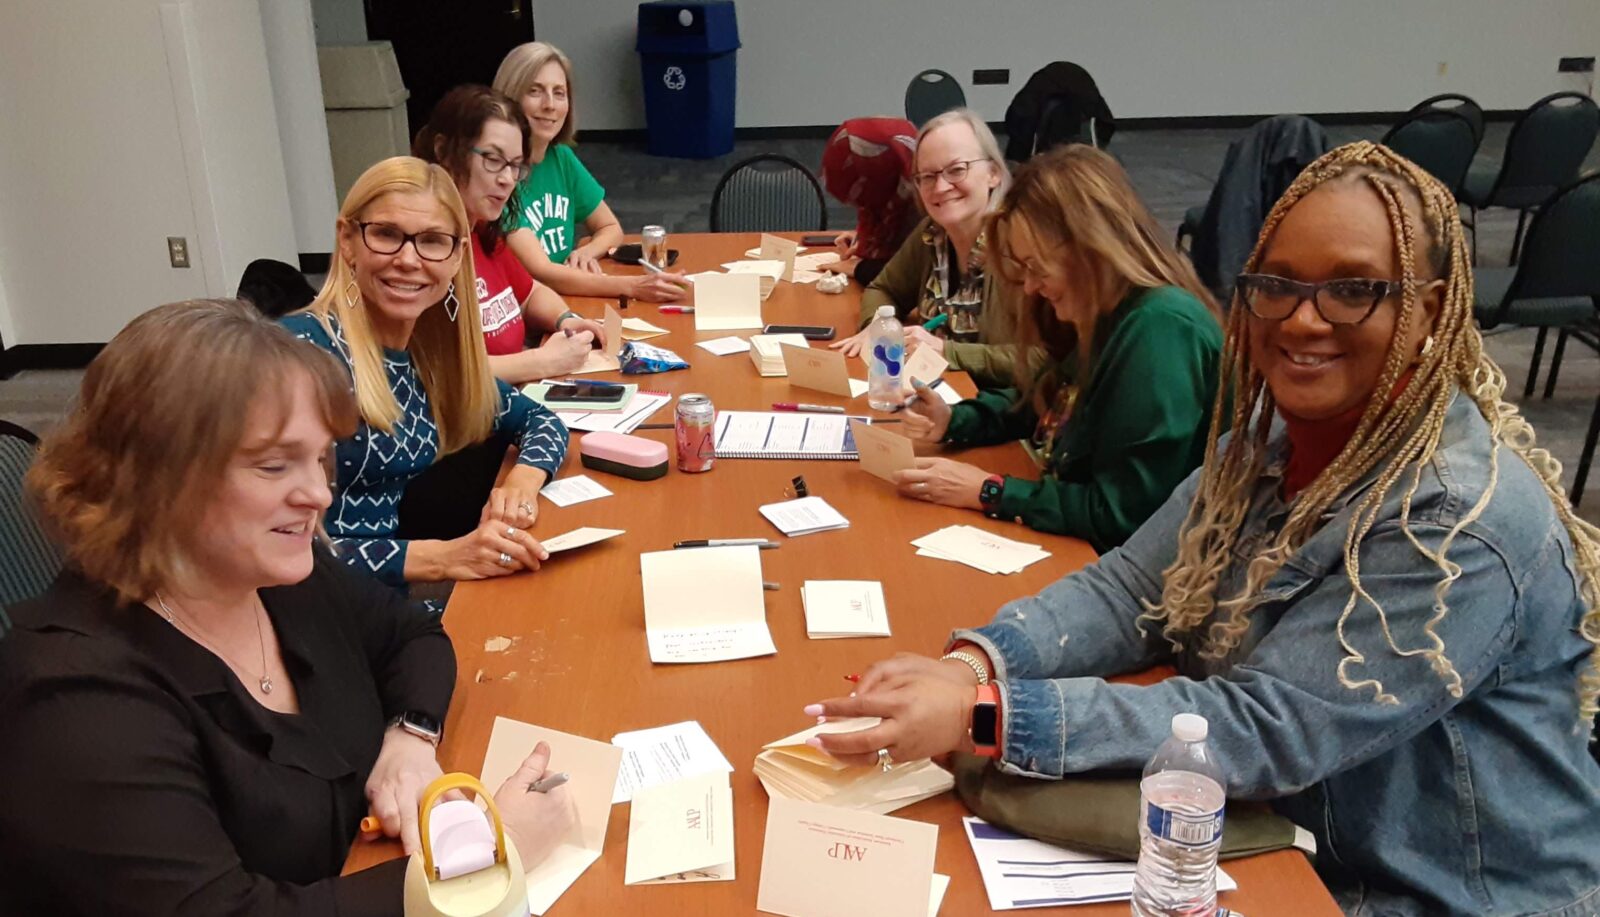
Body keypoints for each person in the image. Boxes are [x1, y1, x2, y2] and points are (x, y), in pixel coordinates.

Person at [804, 143, 1600, 916]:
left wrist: (989, 712)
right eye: (1276, 285)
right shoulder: (1263, 444)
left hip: (1433, 891)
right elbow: (1128, 588)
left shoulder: (1458, 523)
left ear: (1427, 309)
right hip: (1286, 837)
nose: (1304, 318)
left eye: (1353, 288)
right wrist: (974, 659)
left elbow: (1266, 724)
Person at [0, 299, 575, 915]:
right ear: (151, 479)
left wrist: (409, 738)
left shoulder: (268, 568)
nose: (319, 494)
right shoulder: (77, 703)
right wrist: (494, 854)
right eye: (275, 466)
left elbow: (411, 635)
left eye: (319, 458)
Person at [895, 145, 1221, 551]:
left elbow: (1124, 515)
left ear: (1088, 245)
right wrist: (955, 421)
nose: (1030, 287)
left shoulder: (1161, 330)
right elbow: (1046, 401)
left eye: (1035, 266)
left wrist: (990, 491)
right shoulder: (1107, 313)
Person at [282, 156, 569, 590]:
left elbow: (539, 420)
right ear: (347, 240)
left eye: (432, 242)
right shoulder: (298, 356)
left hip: (382, 607)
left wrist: (522, 483)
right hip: (305, 618)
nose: (408, 259)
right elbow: (267, 543)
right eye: (386, 235)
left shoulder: (428, 359)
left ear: (457, 257)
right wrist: (440, 558)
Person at [414, 83, 605, 384]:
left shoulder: (480, 229)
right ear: (443, 151)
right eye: (493, 160)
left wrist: (567, 320)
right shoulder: (419, 250)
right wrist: (542, 361)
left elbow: (530, 293)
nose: (507, 180)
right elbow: (441, 373)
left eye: (516, 166)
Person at [832, 108, 1021, 387]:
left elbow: (1045, 360)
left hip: (999, 415)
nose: (941, 187)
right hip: (937, 394)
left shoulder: (1020, 247)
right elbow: (884, 289)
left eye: (956, 170)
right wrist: (878, 327)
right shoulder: (933, 234)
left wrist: (946, 351)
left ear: (993, 173)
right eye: (927, 176)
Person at [492, 42, 687, 301]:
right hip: (527, 315)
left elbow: (609, 226)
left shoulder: (561, 157)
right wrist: (633, 286)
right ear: (510, 98)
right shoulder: (499, 175)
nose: (550, 105)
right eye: (535, 91)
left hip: (567, 299)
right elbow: (543, 272)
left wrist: (586, 252)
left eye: (559, 93)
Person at [815, 117, 919, 286]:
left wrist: (861, 268)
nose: (863, 207)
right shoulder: (899, 194)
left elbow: (916, 276)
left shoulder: (934, 205)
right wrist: (863, 239)